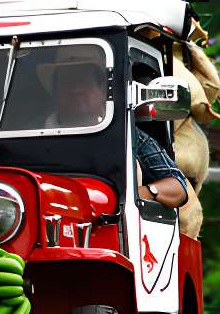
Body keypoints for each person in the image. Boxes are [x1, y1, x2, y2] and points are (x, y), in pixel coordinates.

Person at [42, 49, 188, 208]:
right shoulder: (33, 137)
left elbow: (178, 187)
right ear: (54, 92)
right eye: (66, 82)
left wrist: (137, 194)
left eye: (84, 81)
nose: (75, 89)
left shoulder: (129, 135)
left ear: (104, 90)